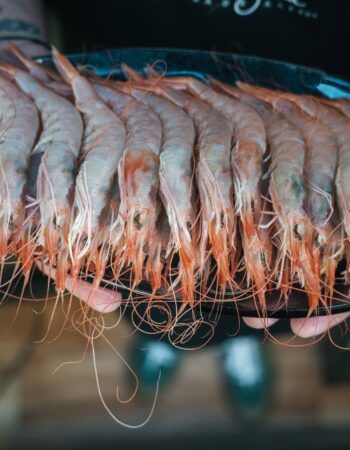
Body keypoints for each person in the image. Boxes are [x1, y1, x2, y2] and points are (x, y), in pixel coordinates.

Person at [0, 0, 348, 340]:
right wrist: (14, 45)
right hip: (112, 64)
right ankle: (159, 342)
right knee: (144, 295)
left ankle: (237, 348)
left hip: (316, 87)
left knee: (266, 299)